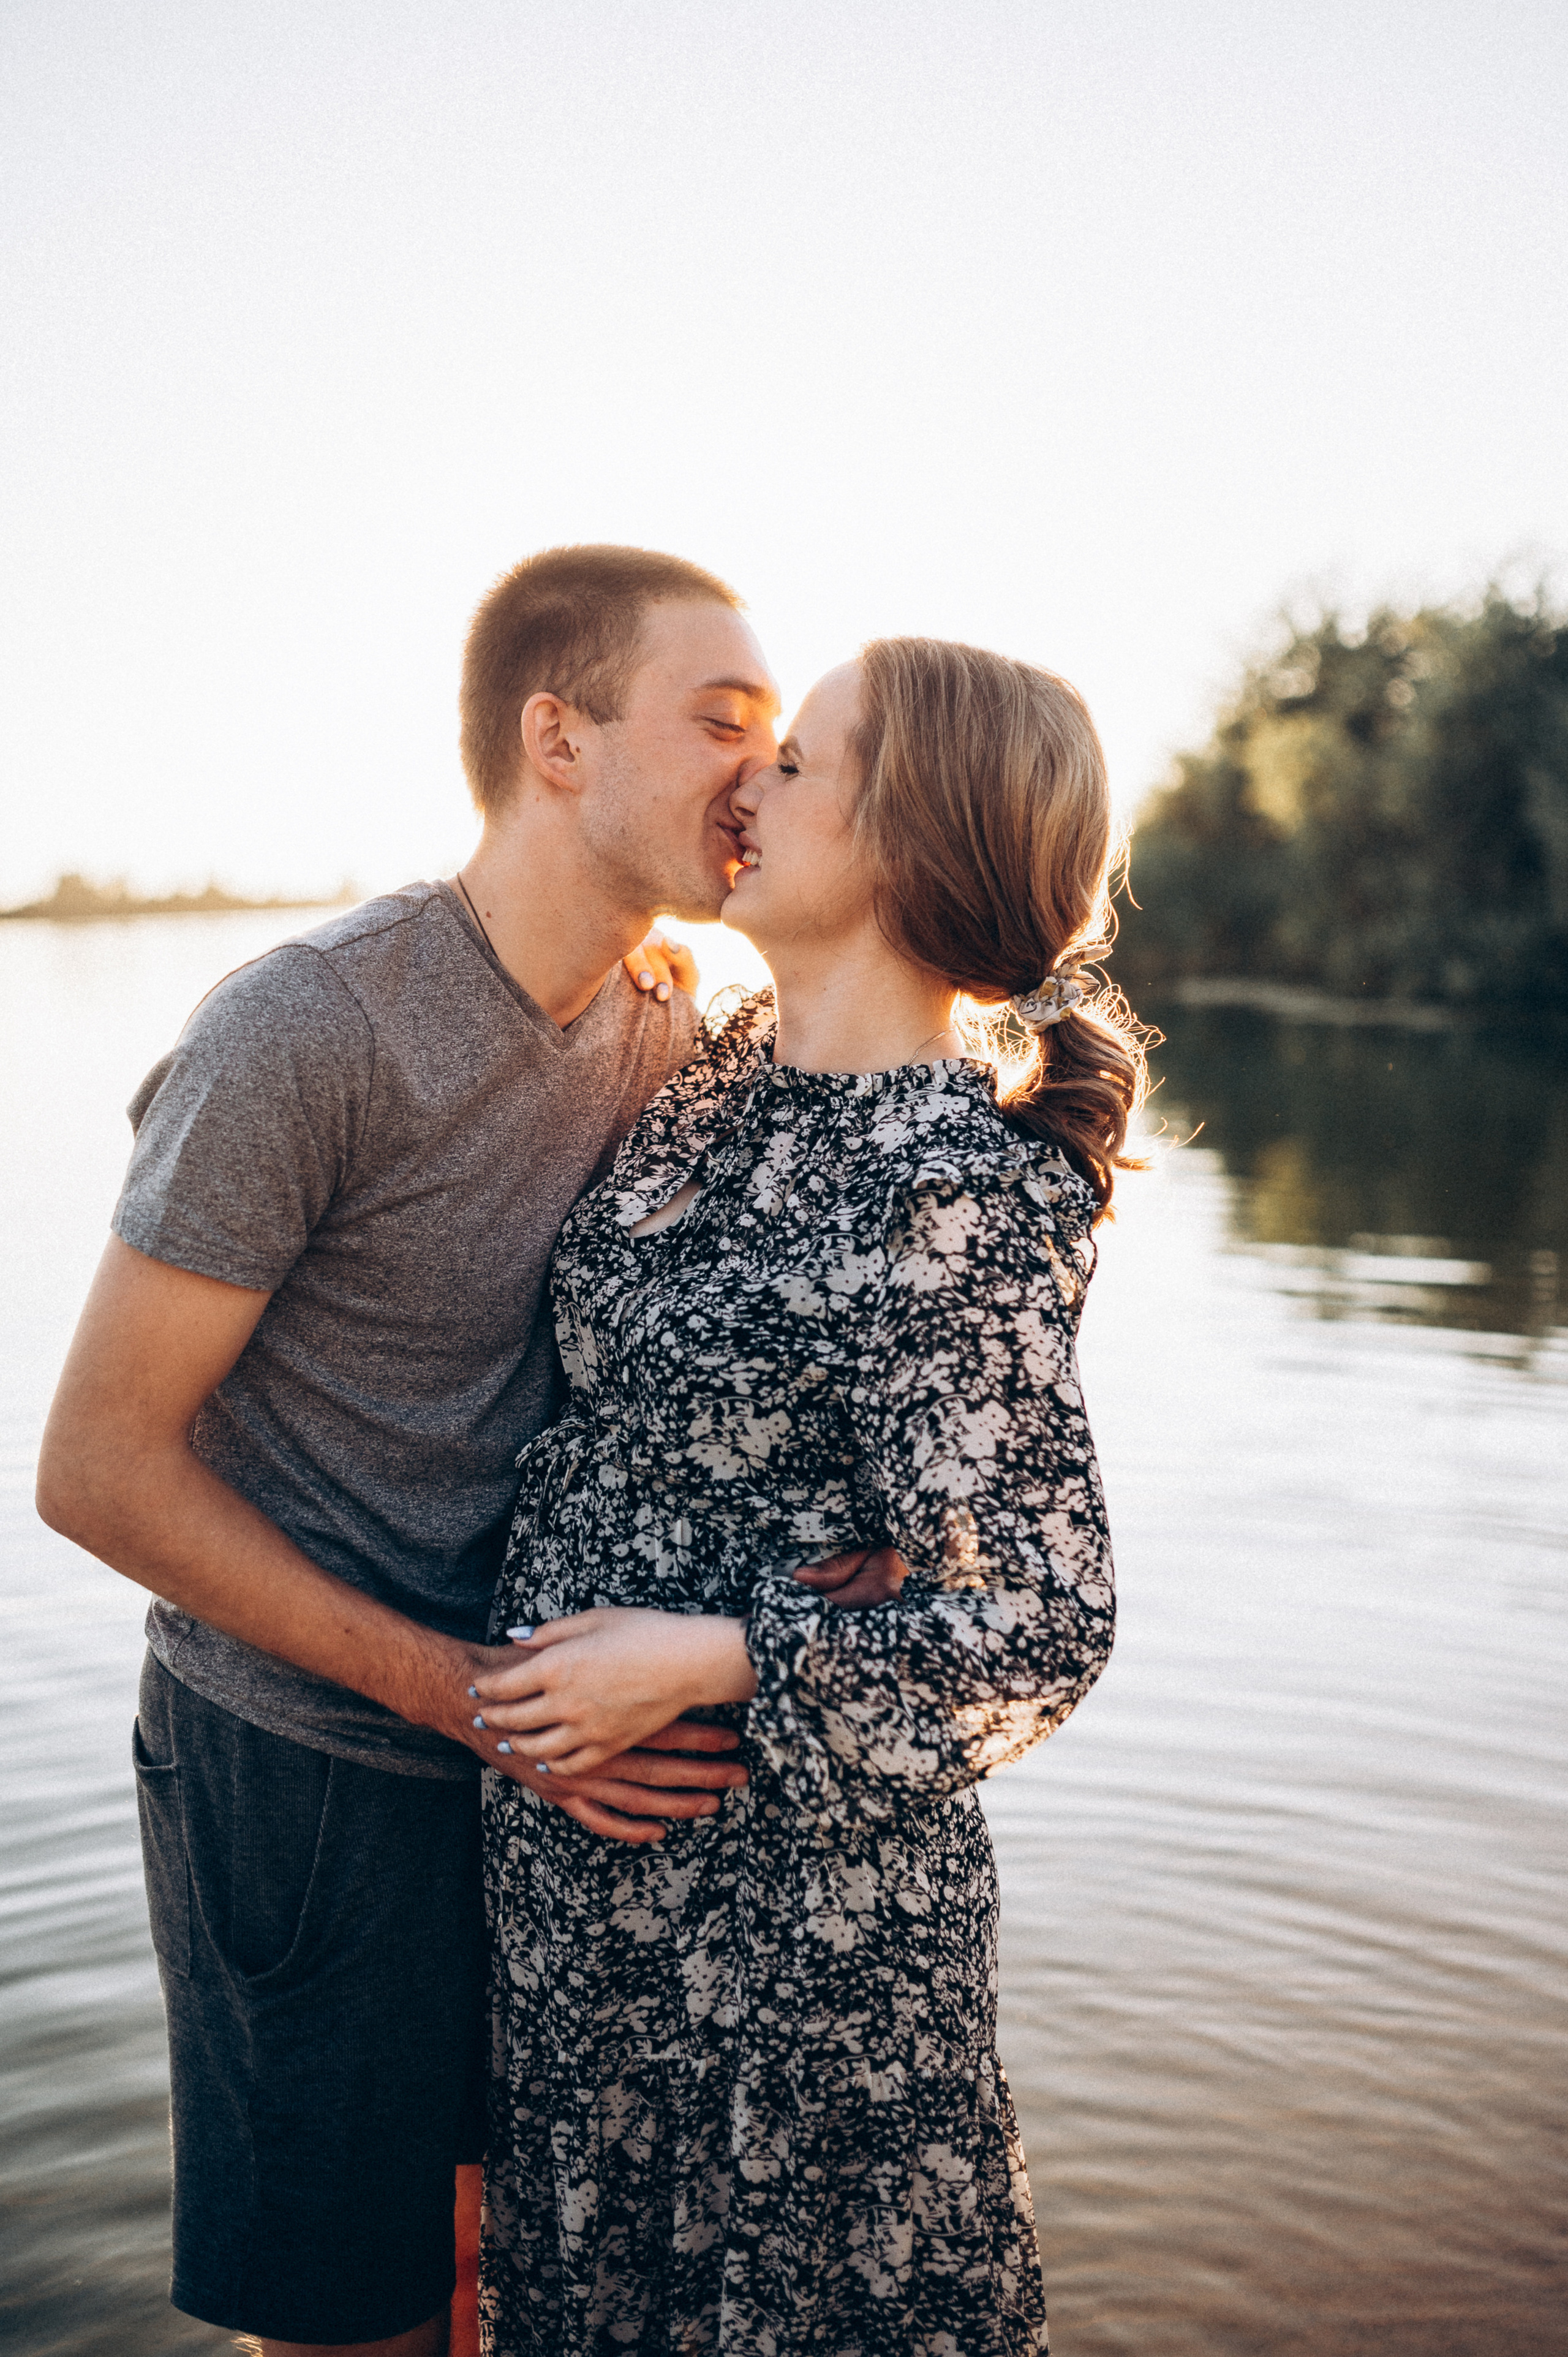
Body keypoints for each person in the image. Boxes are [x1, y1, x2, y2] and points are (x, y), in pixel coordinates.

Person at [36, 547, 898, 2357]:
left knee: (529, 2292)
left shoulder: (681, 1023)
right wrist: (470, 1699)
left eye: (778, 732)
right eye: (720, 721)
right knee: (359, 2326)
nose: (762, 769)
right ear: (557, 741)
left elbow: (860, 1238)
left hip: (558, 1762)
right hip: (313, 1765)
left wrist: (884, 1518)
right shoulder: (307, 1030)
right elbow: (97, 1470)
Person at [471, 636, 1145, 2354]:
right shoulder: (718, 1075)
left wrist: (713, 1657)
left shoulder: (951, 1196)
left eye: (800, 761)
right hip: (597, 1920)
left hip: (792, 1953)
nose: (745, 784)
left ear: (908, 846)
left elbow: (1042, 1627)